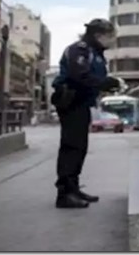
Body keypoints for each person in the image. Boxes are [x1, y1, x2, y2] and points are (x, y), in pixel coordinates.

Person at [51, 18, 121, 209]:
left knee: (79, 146)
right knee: (72, 146)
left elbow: (92, 77)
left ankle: (73, 188)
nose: (112, 41)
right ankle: (65, 193)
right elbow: (79, 75)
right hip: (71, 100)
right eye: (110, 36)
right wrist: (103, 82)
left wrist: (106, 83)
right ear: (98, 35)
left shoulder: (95, 53)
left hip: (82, 103)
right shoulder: (80, 50)